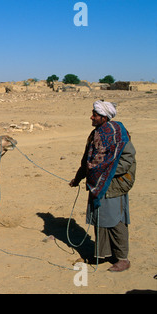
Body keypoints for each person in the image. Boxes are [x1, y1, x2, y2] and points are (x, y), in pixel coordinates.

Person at [69, 100, 136, 272]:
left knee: (116, 221)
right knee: (99, 219)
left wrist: (105, 173)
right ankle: (101, 254)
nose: (91, 117)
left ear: (104, 117)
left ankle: (123, 258)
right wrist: (78, 178)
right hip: (97, 184)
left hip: (114, 184)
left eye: (95, 114)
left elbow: (127, 160)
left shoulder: (119, 133)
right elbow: (87, 161)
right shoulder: (94, 135)